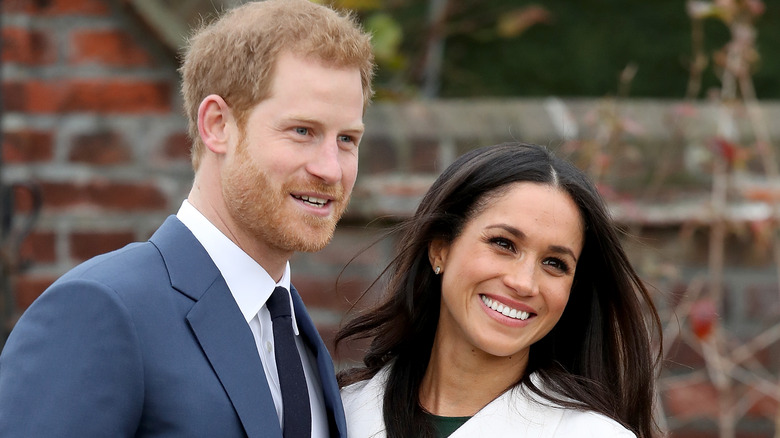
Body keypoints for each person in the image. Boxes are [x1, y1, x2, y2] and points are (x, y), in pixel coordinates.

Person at [0, 1, 374, 437]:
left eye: (347, 138)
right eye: (302, 131)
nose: (331, 168)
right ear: (217, 124)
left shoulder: (297, 334)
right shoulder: (102, 309)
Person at [336, 142, 663, 438]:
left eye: (554, 263)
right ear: (440, 249)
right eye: (503, 244)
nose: (523, 282)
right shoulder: (335, 414)